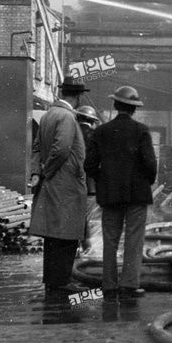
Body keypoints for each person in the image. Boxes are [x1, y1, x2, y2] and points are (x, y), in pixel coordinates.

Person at [84, 86, 157, 298]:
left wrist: (103, 181)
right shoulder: (141, 131)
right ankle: (130, 285)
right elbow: (150, 164)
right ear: (134, 109)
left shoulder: (100, 132)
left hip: (110, 195)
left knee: (110, 239)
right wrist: (146, 182)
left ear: (115, 105)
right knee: (134, 239)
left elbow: (89, 166)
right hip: (137, 195)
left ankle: (108, 285)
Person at [29, 76, 89, 295]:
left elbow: (36, 147)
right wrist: (47, 171)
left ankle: (52, 281)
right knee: (66, 236)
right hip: (66, 185)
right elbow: (62, 149)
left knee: (53, 236)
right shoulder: (66, 117)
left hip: (52, 184)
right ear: (78, 96)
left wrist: (37, 172)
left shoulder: (47, 115)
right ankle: (61, 282)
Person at [76, 105, 101, 254]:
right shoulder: (96, 136)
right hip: (91, 186)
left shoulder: (71, 133)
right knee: (86, 218)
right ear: (92, 121)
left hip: (72, 183)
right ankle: (87, 247)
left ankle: (78, 247)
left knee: (74, 216)